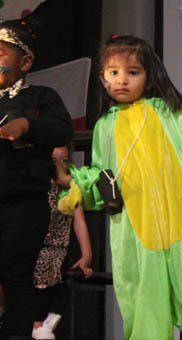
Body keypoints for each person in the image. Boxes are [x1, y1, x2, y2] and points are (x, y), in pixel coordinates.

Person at [54, 34, 182, 339]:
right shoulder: (105, 127)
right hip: (135, 233)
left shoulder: (170, 114)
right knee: (144, 308)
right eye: (113, 73)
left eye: (133, 72)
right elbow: (101, 175)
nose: (122, 80)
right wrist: (77, 184)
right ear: (103, 78)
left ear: (148, 76)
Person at [0, 19, 74, 338]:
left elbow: (62, 129)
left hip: (23, 204)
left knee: (16, 275)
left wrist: (27, 126)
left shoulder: (40, 97)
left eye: (0, 52)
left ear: (25, 62)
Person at [29, 144, 93, 340]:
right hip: (34, 249)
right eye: (53, 160)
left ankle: (40, 323)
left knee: (60, 286)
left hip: (59, 250)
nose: (58, 165)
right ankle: (36, 323)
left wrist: (87, 254)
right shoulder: (36, 181)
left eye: (64, 160)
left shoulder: (70, 186)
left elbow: (79, 220)